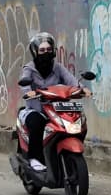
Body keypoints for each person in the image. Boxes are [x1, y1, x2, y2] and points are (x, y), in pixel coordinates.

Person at [17, 32, 86, 172]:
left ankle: (64, 156)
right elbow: (24, 84)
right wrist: (28, 92)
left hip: (56, 110)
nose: (46, 53)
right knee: (37, 123)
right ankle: (35, 158)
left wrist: (83, 89)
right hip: (35, 110)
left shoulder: (58, 68)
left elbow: (71, 80)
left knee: (76, 122)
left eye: (48, 50)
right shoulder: (29, 69)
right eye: (42, 50)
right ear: (35, 52)